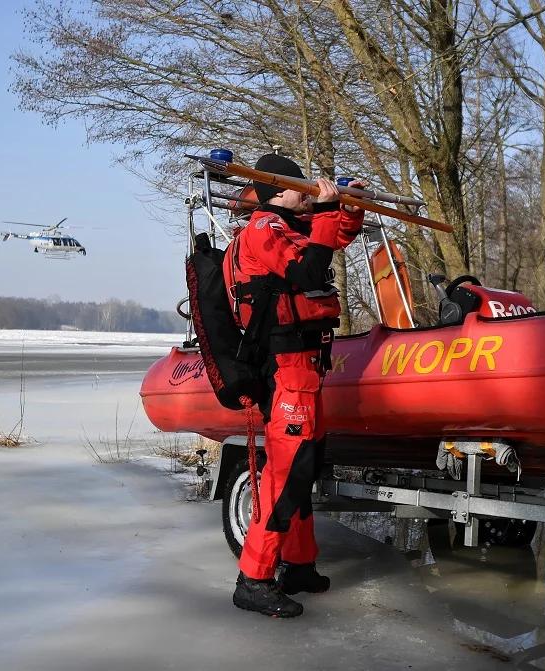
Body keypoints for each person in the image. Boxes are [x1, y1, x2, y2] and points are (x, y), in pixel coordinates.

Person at [224, 153, 366, 618]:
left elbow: (332, 241)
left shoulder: (291, 226)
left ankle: (299, 566)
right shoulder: (264, 228)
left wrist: (350, 208)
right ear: (273, 192)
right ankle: (255, 578)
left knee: (306, 469)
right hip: (286, 370)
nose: (303, 192)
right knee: (285, 476)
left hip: (307, 367)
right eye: (295, 186)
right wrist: (325, 212)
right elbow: (305, 272)